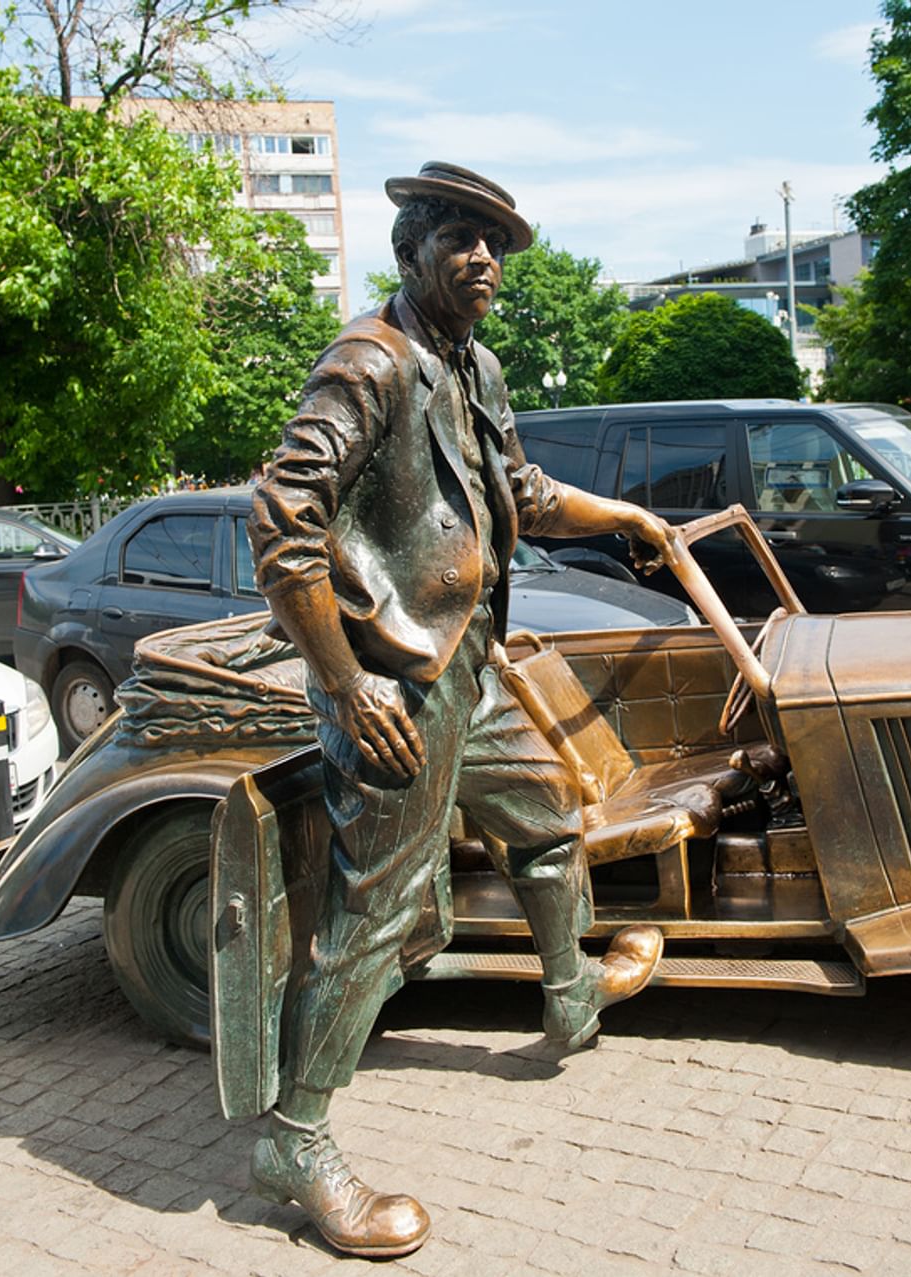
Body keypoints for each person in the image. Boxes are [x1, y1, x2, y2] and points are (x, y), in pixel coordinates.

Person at [247, 161, 670, 1259]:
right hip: (395, 680)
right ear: (412, 251)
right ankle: (295, 1135)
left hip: (468, 665)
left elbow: (519, 491)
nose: (485, 259)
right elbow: (284, 515)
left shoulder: (472, 362)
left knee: (546, 808)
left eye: (496, 242)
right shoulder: (371, 362)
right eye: (463, 238)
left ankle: (571, 991)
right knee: (373, 912)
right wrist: (344, 679)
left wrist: (622, 511)